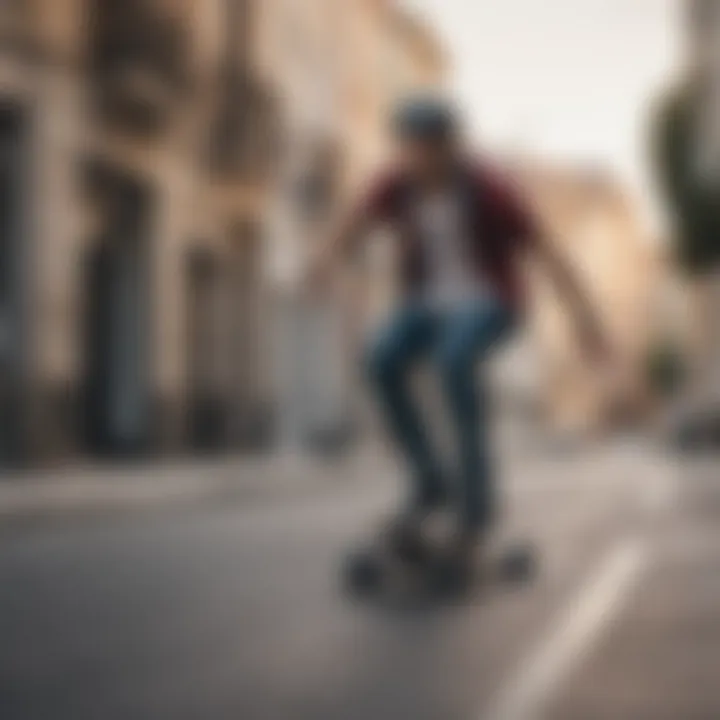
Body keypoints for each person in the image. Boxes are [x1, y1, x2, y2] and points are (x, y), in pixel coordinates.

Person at [309, 97, 609, 563]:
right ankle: (430, 483)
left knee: (453, 362)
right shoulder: (397, 184)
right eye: (410, 149)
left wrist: (586, 322)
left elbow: (549, 253)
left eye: (429, 148)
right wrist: (324, 261)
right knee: (380, 360)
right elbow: (355, 222)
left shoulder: (490, 190)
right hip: (427, 305)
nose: (419, 160)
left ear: (451, 147)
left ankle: (476, 510)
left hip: (491, 303)